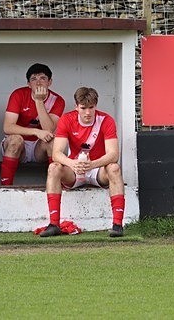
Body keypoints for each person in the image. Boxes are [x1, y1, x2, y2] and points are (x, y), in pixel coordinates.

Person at [38, 87, 125, 238]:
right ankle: (54, 224)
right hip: (74, 169)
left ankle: (117, 225)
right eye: (83, 108)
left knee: (114, 168)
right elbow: (57, 153)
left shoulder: (106, 120)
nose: (87, 112)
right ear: (76, 106)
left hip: (97, 168)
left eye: (91, 108)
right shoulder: (67, 119)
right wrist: (72, 163)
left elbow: (113, 154)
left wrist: (93, 164)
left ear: (96, 106)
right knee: (53, 167)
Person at [1, 63, 65, 185]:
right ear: (29, 84)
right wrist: (36, 131)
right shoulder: (18, 94)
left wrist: (39, 101)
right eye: (34, 79)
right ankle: (5, 187)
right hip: (19, 146)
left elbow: (49, 129)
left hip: (39, 147)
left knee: (53, 141)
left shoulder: (57, 100)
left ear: (50, 82)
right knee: (15, 140)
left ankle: (55, 185)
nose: (38, 82)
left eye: (43, 78)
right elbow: (7, 127)